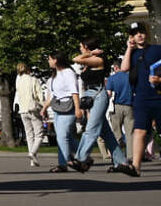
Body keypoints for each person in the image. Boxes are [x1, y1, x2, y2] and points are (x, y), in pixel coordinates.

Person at [69, 37, 132, 174]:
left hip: (98, 96)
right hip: (91, 96)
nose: (80, 49)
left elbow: (76, 59)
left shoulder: (98, 60)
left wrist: (90, 54)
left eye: (81, 46)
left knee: (91, 129)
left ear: (87, 47)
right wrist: (90, 53)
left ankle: (81, 159)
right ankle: (121, 162)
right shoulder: (90, 60)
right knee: (106, 133)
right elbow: (78, 58)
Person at [120, 21, 161, 176]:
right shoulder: (133, 54)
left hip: (158, 96)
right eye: (135, 33)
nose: (139, 35)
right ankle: (135, 167)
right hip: (142, 99)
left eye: (141, 32)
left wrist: (159, 81)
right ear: (131, 37)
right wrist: (129, 48)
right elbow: (124, 68)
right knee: (139, 131)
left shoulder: (157, 50)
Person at [40, 52, 81, 173]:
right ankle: (83, 155)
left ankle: (65, 162)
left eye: (49, 59)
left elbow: (75, 92)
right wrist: (44, 109)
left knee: (62, 136)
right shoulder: (54, 76)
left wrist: (78, 109)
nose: (48, 61)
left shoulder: (68, 73)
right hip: (57, 109)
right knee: (65, 137)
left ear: (56, 60)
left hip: (69, 107)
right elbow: (52, 96)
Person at [14, 62, 44, 167]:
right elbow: (40, 96)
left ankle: (33, 160)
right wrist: (44, 108)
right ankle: (33, 152)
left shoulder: (18, 81)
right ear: (28, 70)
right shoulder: (33, 80)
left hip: (23, 110)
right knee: (39, 134)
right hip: (33, 109)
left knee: (29, 135)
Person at [106, 58, 133, 160]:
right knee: (130, 133)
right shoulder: (130, 77)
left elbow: (108, 93)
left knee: (116, 132)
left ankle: (117, 156)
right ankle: (130, 157)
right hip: (130, 106)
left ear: (116, 67)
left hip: (116, 107)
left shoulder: (112, 78)